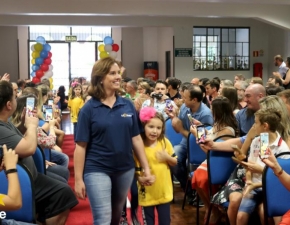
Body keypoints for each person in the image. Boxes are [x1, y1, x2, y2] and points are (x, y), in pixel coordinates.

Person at [74, 57, 155, 225]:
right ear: (100, 78)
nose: (118, 77)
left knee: (116, 214)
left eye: (118, 73)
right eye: (112, 73)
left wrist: (146, 167)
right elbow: (80, 147)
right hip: (97, 168)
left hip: (125, 169)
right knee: (103, 217)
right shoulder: (88, 109)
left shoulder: (127, 105)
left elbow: (136, 138)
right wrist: (78, 179)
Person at [0, 81, 78, 225]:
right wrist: (31, 126)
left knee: (64, 191)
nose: (17, 97)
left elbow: (20, 141)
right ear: (9, 105)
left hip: (30, 175)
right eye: (14, 96)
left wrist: (24, 125)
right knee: (63, 193)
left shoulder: (5, 122)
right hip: (17, 181)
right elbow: (29, 148)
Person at [236, 108, 290, 225]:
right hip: (254, 188)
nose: (253, 126)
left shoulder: (283, 149)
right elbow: (249, 166)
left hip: (270, 188)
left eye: (255, 123)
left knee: (264, 214)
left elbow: (279, 180)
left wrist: (258, 178)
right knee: (240, 217)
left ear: (265, 126)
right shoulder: (257, 141)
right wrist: (249, 182)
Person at [190, 96, 238, 224]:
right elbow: (211, 135)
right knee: (196, 176)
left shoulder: (228, 130)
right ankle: (210, 207)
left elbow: (210, 151)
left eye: (213, 110)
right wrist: (201, 128)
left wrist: (197, 135)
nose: (211, 112)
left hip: (220, 162)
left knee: (200, 177)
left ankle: (213, 208)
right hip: (212, 160)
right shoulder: (217, 124)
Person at [166, 84, 213, 190]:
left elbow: (201, 139)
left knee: (187, 163)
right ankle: (187, 187)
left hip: (198, 147)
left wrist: (181, 130)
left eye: (185, 98)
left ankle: (192, 188)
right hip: (184, 142)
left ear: (194, 100)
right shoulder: (185, 107)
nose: (183, 100)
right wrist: (173, 116)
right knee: (173, 160)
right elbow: (180, 124)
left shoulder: (205, 115)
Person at [137, 107, 177, 225]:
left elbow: (175, 161)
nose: (155, 131)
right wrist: (140, 179)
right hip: (147, 193)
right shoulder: (139, 146)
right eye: (151, 127)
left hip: (164, 192)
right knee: (148, 222)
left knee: (165, 222)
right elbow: (134, 171)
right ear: (143, 126)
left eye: (158, 128)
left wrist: (167, 158)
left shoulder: (164, 142)